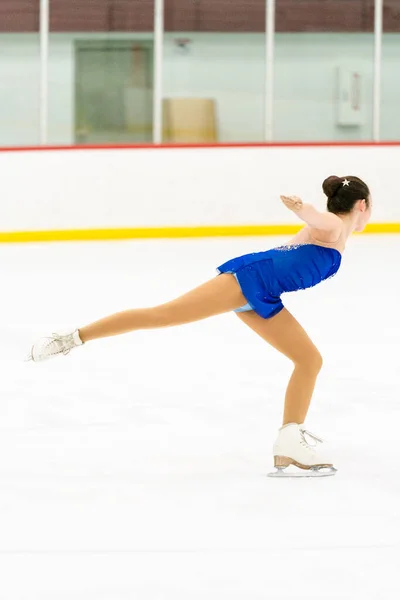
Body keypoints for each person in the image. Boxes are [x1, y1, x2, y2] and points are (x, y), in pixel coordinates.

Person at [28, 175, 371, 477]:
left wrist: (306, 216)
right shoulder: (333, 226)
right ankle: (71, 339)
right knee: (161, 315)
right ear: (361, 205)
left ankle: (290, 440)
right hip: (246, 280)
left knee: (309, 360)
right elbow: (319, 218)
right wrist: (303, 208)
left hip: (265, 294)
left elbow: (310, 232)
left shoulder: (330, 234)